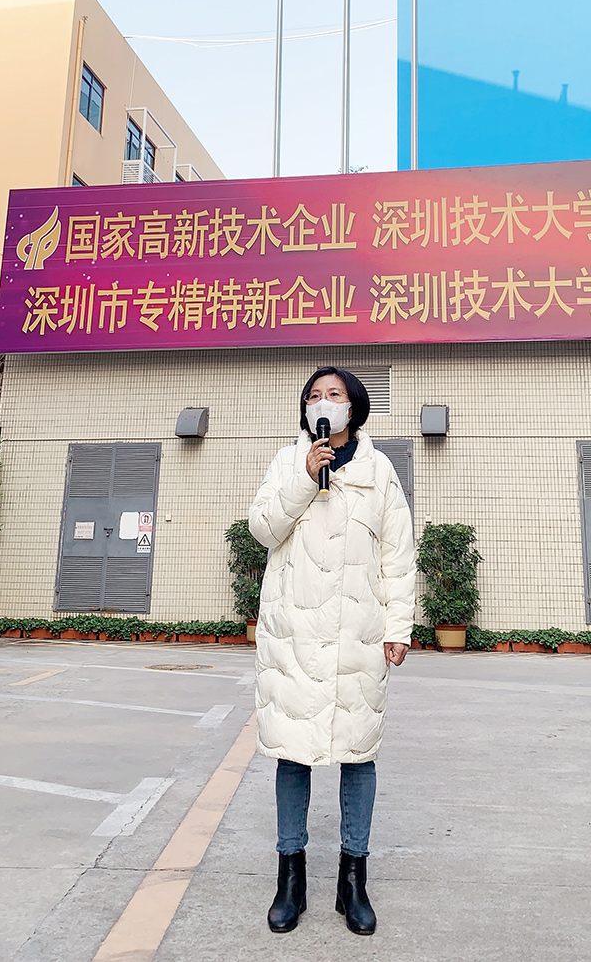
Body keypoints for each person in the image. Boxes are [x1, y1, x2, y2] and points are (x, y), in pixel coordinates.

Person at [248, 366, 416, 936]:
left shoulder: (379, 470)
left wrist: (398, 626)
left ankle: (353, 882)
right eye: (314, 396)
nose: (324, 403)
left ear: (353, 407)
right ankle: (290, 880)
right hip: (294, 634)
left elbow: (398, 555)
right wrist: (303, 478)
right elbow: (263, 528)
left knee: (358, 756)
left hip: (356, 636)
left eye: (334, 394)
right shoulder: (287, 461)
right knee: (292, 753)